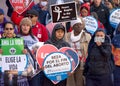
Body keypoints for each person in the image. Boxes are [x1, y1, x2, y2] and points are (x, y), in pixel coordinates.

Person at [0, 21, 32, 86]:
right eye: (7, 29)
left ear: (14, 30)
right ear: (4, 30)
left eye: (11, 29)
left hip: (20, 80)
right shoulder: (0, 43)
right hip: (4, 79)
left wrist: (26, 54)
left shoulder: (20, 42)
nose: (9, 31)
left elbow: (30, 70)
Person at [65, 17, 91, 86]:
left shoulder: (87, 36)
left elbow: (90, 49)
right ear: (73, 26)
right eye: (76, 25)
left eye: (80, 24)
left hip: (82, 63)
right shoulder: (67, 36)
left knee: (80, 82)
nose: (79, 26)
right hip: (70, 63)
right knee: (70, 82)